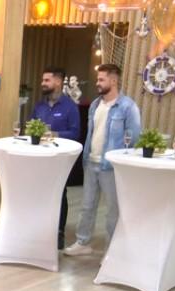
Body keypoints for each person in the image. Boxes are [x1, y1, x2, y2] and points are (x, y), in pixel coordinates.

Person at [63, 63, 141, 256]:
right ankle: (82, 242)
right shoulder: (95, 105)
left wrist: (121, 160)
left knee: (113, 210)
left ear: (113, 81)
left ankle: (111, 250)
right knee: (87, 206)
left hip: (111, 166)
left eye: (101, 79)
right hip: (91, 162)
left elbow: (134, 138)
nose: (97, 82)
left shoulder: (128, 107)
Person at [29, 66, 81, 249]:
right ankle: (40, 228)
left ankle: (59, 232)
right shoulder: (39, 106)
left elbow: (75, 133)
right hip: (39, 159)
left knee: (59, 194)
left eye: (47, 80)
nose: (42, 83)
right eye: (43, 80)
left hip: (59, 160)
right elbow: (30, 127)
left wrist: (55, 134)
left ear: (58, 82)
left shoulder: (70, 107)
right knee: (40, 193)